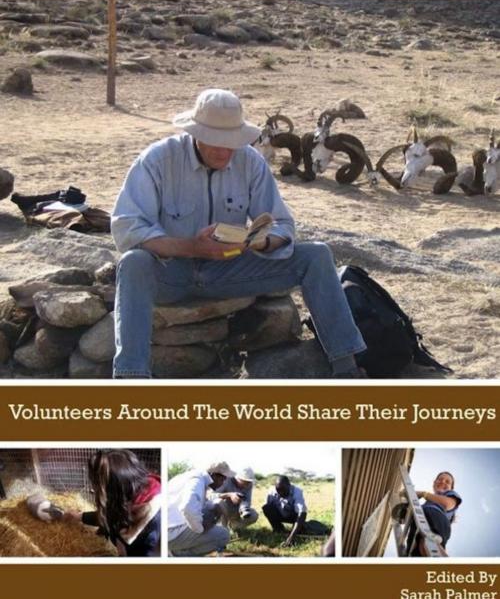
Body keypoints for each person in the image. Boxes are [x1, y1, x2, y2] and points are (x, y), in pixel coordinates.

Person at [111, 88, 366, 380]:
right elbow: (127, 227)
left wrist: (263, 241)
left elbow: (282, 224)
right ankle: (131, 379)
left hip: (230, 271)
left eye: (231, 142)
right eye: (215, 142)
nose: (223, 150)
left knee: (317, 255)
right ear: (195, 133)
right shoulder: (157, 160)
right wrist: (192, 247)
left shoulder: (250, 162)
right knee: (133, 263)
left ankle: (346, 367)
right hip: (171, 273)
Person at [64, 449, 161, 557]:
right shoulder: (130, 497)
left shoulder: (150, 526)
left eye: (96, 486)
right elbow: (111, 515)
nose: (92, 489)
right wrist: (79, 516)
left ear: (115, 491)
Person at [168, 461, 234, 556]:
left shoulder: (191, 476)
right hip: (170, 533)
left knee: (213, 507)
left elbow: (201, 502)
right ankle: (178, 555)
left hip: (166, 528)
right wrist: (200, 529)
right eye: (223, 479)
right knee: (223, 536)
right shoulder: (197, 481)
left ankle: (176, 550)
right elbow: (187, 507)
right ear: (214, 475)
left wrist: (216, 505)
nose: (223, 483)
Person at [407, 471, 462, 556]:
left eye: (447, 482)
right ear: (434, 483)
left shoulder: (450, 494)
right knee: (416, 551)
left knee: (430, 544)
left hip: (436, 516)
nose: (443, 482)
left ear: (451, 488)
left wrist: (423, 494)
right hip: (420, 520)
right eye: (440, 479)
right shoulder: (428, 501)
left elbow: (447, 504)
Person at [262, 475, 307, 547]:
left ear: (289, 485)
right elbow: (268, 508)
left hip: (292, 515)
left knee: (301, 517)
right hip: (281, 512)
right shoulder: (272, 491)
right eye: (278, 490)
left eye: (283, 490)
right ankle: (278, 529)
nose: (281, 493)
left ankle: (297, 529)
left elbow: (302, 513)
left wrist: (291, 538)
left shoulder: (297, 491)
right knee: (267, 507)